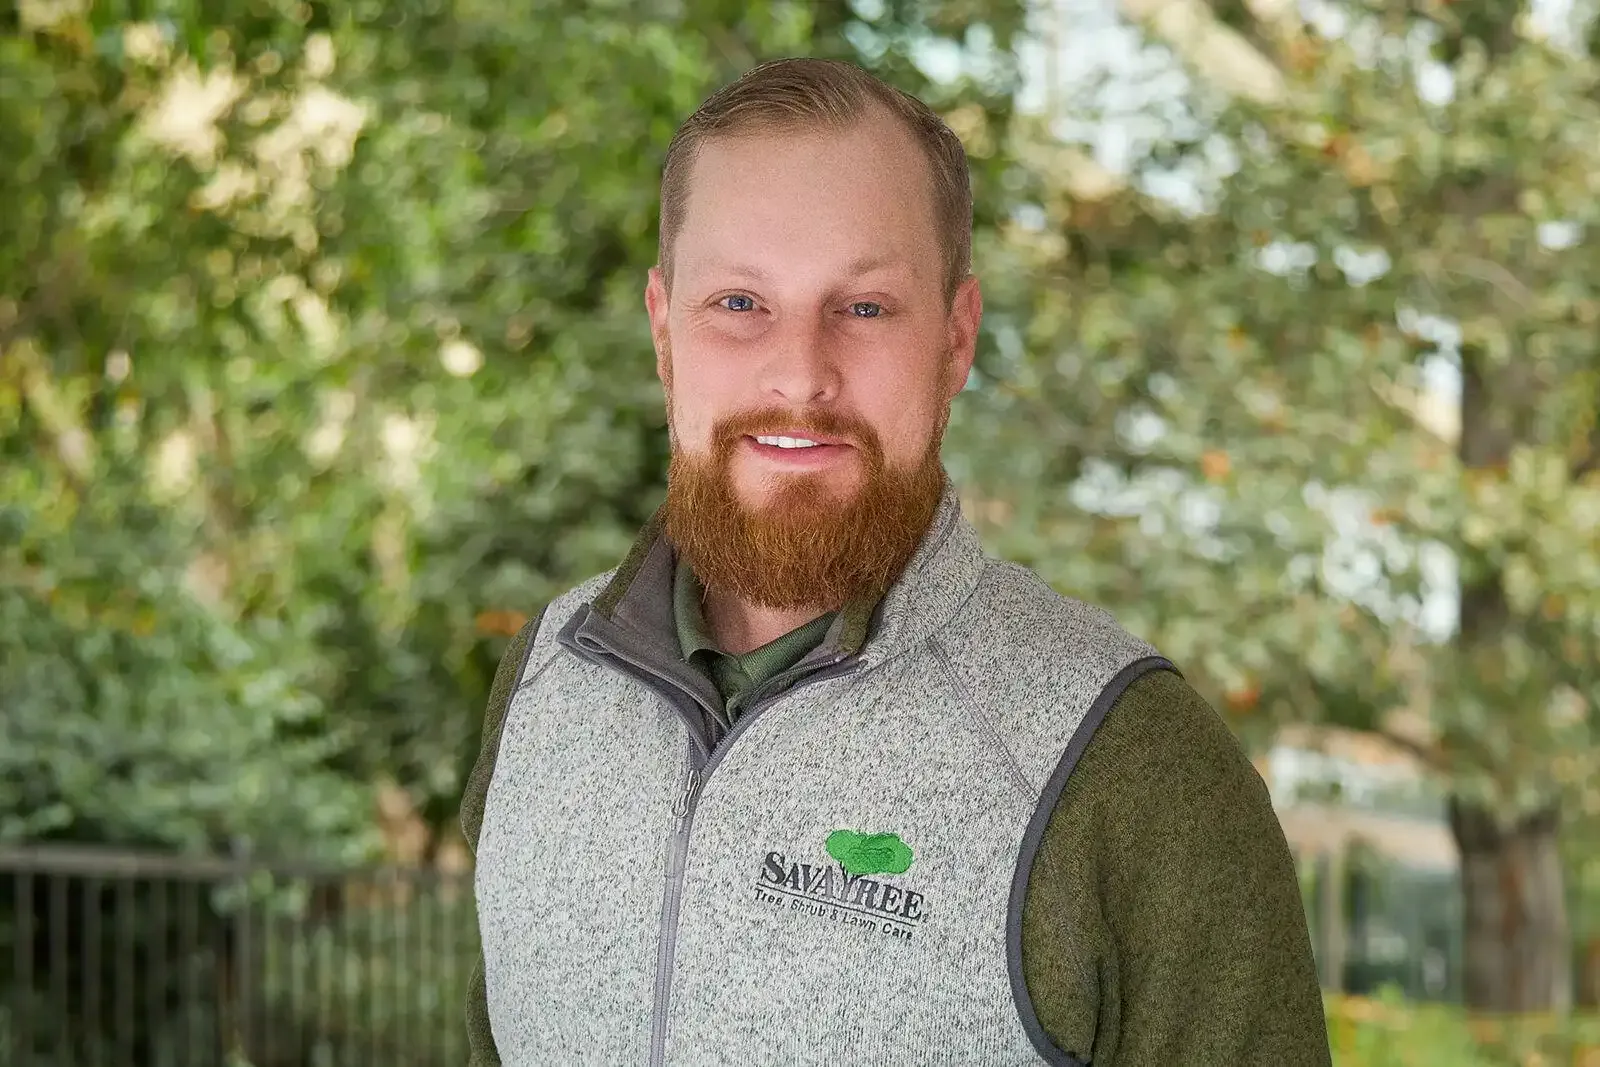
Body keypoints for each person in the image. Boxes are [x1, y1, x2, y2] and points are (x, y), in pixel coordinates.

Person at [460, 57, 1331, 1066]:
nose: (800, 376)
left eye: (865, 308)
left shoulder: (1132, 759)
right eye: (739, 303)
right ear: (664, 331)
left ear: (955, 342)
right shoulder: (545, 678)